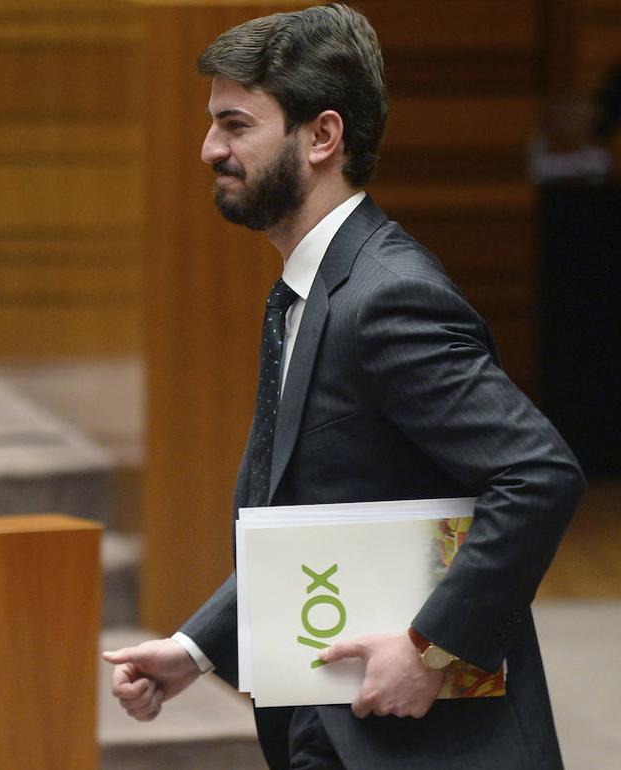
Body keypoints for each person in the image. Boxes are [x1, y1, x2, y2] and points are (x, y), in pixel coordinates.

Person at [103, 5, 585, 769]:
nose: (210, 149)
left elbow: (538, 475)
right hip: (336, 722)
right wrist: (197, 649)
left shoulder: (389, 298)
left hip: (422, 742)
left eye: (235, 125)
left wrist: (431, 649)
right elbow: (313, 514)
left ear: (322, 137)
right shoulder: (313, 288)